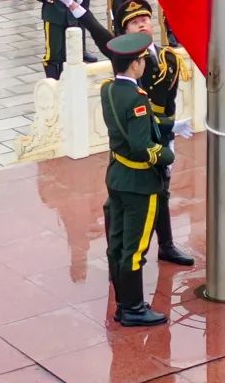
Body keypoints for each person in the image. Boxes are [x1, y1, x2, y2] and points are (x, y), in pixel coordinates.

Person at [49, 0, 195, 269]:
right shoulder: (125, 58)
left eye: (146, 19)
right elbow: (97, 32)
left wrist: (169, 132)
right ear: (124, 32)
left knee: (162, 192)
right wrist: (73, 6)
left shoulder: (169, 57)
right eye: (135, 22)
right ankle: (118, 254)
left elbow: (170, 101)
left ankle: (166, 245)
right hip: (134, 136)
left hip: (160, 134)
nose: (143, 25)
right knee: (122, 198)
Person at [96, 31, 174, 326]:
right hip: (139, 182)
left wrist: (168, 125)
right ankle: (133, 308)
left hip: (117, 175)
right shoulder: (137, 100)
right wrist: (166, 155)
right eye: (142, 60)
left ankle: (122, 304)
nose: (144, 64)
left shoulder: (108, 90)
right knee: (136, 247)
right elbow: (143, 147)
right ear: (135, 64)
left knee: (116, 243)